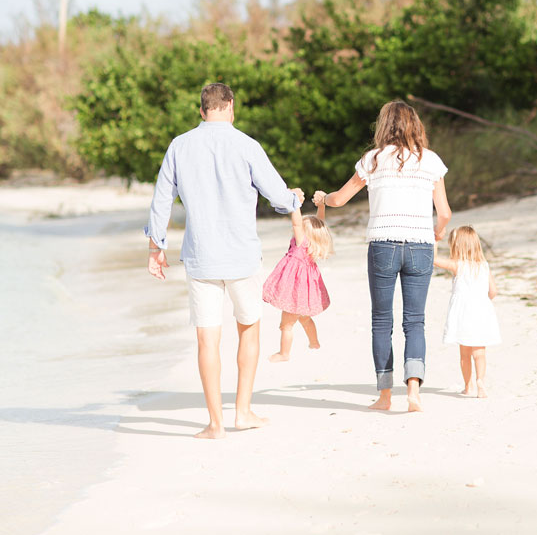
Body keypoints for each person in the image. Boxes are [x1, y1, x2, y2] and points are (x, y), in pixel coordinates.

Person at [144, 82, 303, 440]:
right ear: (230, 106)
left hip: (201, 257)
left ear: (202, 110)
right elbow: (278, 196)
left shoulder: (179, 146)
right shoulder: (247, 145)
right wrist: (294, 199)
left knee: (207, 340)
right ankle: (242, 412)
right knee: (249, 329)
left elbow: (161, 200)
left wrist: (156, 248)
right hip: (241, 256)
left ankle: (215, 424)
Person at [313, 100, 451, 412]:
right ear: (415, 125)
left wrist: (324, 197)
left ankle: (385, 396)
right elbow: (443, 212)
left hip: (383, 246)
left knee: (381, 320)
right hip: (420, 245)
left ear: (384, 126)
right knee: (415, 320)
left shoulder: (372, 160)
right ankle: (413, 391)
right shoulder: (430, 161)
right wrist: (437, 232)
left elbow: (340, 198)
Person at [263, 197, 334, 362]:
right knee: (304, 318)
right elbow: (320, 223)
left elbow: (296, 223)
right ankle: (314, 342)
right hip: (305, 291)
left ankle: (284, 353)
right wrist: (321, 207)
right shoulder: (312, 244)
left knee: (286, 325)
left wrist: (295, 204)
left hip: (294, 291)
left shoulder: (301, 242)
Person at [435, 226, 500, 398]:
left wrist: (435, 239)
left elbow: (433, 259)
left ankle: (467, 385)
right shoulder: (484, 266)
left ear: (456, 246)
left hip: (464, 314)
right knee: (479, 352)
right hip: (481, 312)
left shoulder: (457, 265)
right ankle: (481, 382)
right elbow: (493, 292)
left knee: (465, 354)